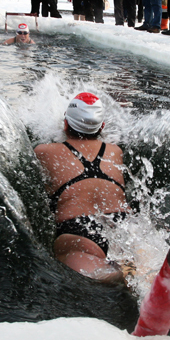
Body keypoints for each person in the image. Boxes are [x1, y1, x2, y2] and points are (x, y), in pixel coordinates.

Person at [34, 92, 127, 281]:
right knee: (138, 271)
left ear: (66, 123)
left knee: (106, 279)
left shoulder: (44, 151)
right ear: (102, 127)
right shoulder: (115, 151)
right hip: (122, 225)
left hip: (78, 232)